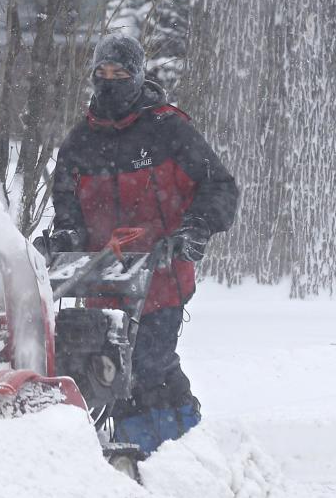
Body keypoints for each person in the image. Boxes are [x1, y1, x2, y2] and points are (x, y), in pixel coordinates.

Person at [35, 35, 239, 454]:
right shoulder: (79, 143)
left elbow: (219, 186)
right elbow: (68, 208)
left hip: (161, 279)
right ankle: (102, 452)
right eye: (102, 74)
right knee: (95, 371)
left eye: (121, 74)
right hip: (100, 284)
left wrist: (193, 230)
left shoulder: (168, 130)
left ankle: (173, 447)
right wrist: (66, 238)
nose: (109, 82)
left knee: (146, 365)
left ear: (138, 76)